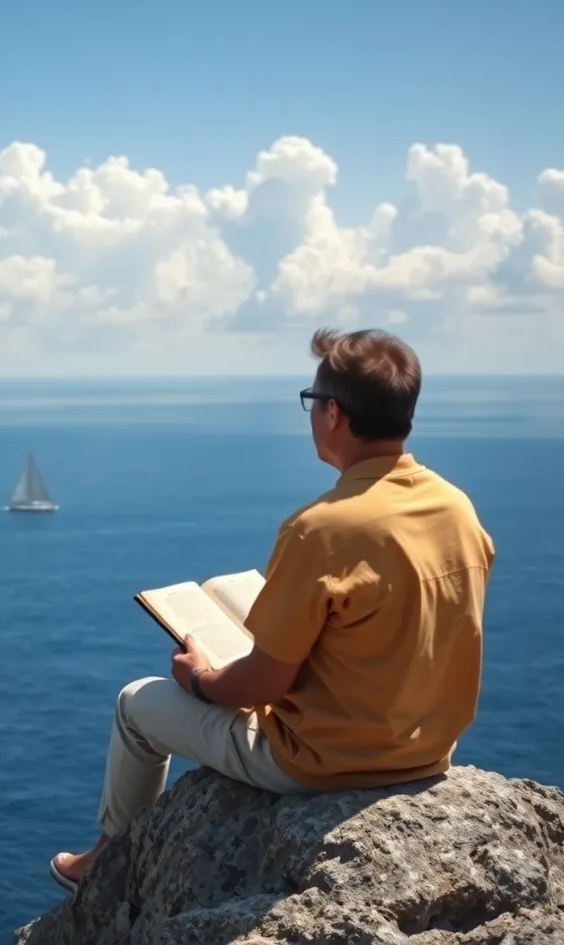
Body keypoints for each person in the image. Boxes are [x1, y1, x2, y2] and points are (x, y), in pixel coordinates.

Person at [50, 327, 495, 895]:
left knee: (136, 705)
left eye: (312, 401)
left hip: (323, 761)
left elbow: (257, 683)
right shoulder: (455, 507)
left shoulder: (322, 528)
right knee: (261, 608)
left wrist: (202, 682)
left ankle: (106, 863)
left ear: (332, 413)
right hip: (425, 749)